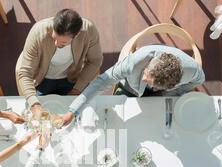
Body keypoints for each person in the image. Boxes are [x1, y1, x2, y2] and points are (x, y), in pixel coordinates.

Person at [60, 44, 206, 126]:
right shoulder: (135, 62)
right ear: (148, 64)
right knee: (115, 124)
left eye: (149, 82)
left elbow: (199, 80)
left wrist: (165, 94)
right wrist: (72, 111)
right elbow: (102, 81)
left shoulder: (191, 70)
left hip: (163, 96)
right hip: (130, 89)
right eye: (146, 74)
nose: (143, 79)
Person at [16, 8, 103, 120]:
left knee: (79, 118)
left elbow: (95, 61)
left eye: (63, 42)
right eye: (54, 38)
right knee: (41, 120)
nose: (56, 44)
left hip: (72, 79)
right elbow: (25, 73)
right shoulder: (37, 32)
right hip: (41, 80)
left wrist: (76, 90)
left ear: (77, 35)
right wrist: (35, 105)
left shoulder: (89, 30)